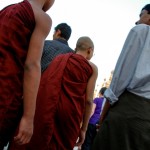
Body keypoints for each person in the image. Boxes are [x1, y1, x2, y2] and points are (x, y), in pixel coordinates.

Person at [9, 36, 98, 150]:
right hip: (70, 114)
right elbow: (89, 101)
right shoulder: (92, 68)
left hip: (49, 105)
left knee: (40, 140)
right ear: (89, 50)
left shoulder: (60, 58)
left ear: (76, 48)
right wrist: (84, 129)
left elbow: (46, 82)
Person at [92, 4, 150, 150]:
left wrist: (103, 116)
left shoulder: (142, 31)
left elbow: (120, 79)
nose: (137, 21)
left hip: (129, 113)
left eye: (141, 15)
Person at [0, 0, 54, 149]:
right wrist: (28, 117)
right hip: (5, 95)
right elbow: (31, 65)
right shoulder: (42, 18)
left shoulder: (7, 9)